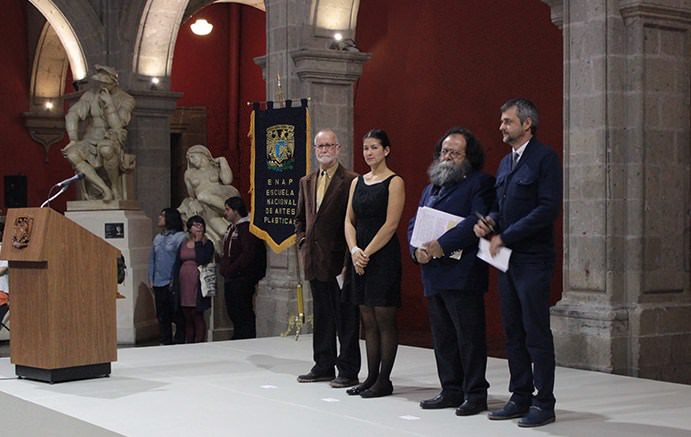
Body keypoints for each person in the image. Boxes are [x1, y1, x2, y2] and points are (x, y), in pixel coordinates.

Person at [474, 98, 562, 427]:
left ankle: (545, 402)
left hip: (533, 260)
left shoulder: (544, 159)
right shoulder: (505, 163)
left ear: (526, 124)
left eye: (507, 122)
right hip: (508, 260)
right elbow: (500, 205)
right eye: (501, 122)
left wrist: (506, 236)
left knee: (535, 332)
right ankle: (520, 395)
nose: (501, 127)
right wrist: (490, 223)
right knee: (513, 330)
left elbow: (547, 209)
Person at [408, 127, 496, 415]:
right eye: (444, 151)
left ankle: (475, 393)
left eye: (455, 153)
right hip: (433, 272)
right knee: (443, 336)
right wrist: (416, 249)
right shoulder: (431, 187)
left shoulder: (479, 183)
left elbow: (476, 220)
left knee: (468, 336)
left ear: (468, 157)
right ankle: (450, 389)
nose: (447, 157)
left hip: (462, 272)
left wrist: (441, 245)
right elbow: (416, 221)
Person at [295, 128, 361, 388]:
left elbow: (354, 221)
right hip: (314, 259)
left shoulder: (351, 180)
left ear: (338, 148)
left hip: (339, 260)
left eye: (329, 145)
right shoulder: (307, 181)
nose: (324, 150)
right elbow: (300, 219)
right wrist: (302, 242)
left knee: (345, 317)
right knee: (322, 315)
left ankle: (348, 369)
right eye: (320, 146)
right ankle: (323, 365)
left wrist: (349, 257)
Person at [344, 128, 405, 398]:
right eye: (365, 148)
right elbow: (348, 220)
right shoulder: (357, 182)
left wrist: (366, 252)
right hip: (359, 254)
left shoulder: (395, 182)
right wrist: (355, 249)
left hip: (382, 256)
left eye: (374, 147)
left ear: (387, 150)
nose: (369, 153)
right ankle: (370, 377)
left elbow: (391, 224)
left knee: (383, 317)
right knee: (366, 317)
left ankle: (384, 379)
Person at [62, 64, 136, 201]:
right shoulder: (90, 95)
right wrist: (73, 138)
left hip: (113, 137)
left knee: (106, 149)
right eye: (100, 82)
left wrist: (109, 105)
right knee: (72, 154)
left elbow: (118, 125)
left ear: (114, 83)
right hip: (90, 138)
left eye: (105, 83)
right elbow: (73, 114)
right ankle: (104, 189)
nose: (102, 85)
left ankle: (114, 187)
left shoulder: (127, 99)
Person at [219, 196, 266, 339]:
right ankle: (238, 334)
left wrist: (233, 268)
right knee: (233, 310)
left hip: (242, 277)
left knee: (242, 310)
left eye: (227, 210)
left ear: (236, 211)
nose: (225, 213)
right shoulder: (231, 228)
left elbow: (248, 253)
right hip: (231, 277)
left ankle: (245, 337)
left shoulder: (247, 229)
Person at [178, 145, 240, 251]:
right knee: (222, 231)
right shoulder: (189, 174)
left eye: (193, 157)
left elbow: (227, 180)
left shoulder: (215, 168)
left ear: (202, 154)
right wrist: (193, 203)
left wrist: (222, 160)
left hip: (222, 196)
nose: (191, 161)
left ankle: (232, 211)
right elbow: (192, 195)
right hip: (207, 205)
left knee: (204, 196)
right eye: (189, 159)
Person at [172, 215, 215, 343]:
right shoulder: (184, 243)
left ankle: (199, 341)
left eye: (201, 225)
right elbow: (177, 262)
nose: (198, 228)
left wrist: (198, 242)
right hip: (184, 283)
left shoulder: (206, 244)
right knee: (186, 315)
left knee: (197, 314)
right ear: (189, 228)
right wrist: (174, 281)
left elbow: (203, 259)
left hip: (198, 282)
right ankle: (189, 341)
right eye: (195, 225)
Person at [148, 208, 187, 345]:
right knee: (162, 314)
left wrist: (174, 279)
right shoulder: (157, 238)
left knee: (176, 313)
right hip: (158, 281)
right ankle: (165, 340)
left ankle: (179, 339)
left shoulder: (180, 237)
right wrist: (151, 278)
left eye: (163, 215)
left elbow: (180, 260)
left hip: (172, 282)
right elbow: (152, 258)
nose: (159, 217)